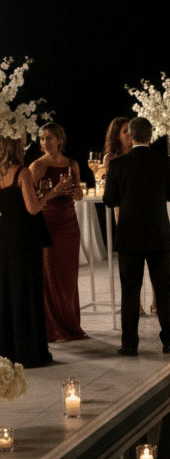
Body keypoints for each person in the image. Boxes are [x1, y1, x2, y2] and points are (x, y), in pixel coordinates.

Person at [104, 117, 170, 355]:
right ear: (151, 134)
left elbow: (109, 200)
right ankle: (169, 342)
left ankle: (129, 345)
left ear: (130, 134)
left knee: (130, 291)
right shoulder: (165, 163)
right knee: (164, 290)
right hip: (159, 235)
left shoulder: (118, 165)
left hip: (129, 236)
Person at [0, 133, 65, 367]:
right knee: (27, 289)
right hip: (23, 238)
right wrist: (52, 192)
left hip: (4, 234)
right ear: (15, 146)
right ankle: (29, 351)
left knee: (8, 290)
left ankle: (8, 349)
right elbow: (33, 208)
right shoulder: (22, 172)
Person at [29, 122, 88, 343]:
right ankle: (53, 329)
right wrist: (53, 193)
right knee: (50, 276)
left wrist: (74, 190)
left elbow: (80, 196)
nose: (44, 143)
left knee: (68, 277)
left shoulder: (72, 164)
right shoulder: (36, 167)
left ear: (59, 140)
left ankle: (71, 324)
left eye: (48, 138)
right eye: (42, 139)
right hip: (48, 224)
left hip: (70, 225)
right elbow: (31, 201)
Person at [103, 116, 155, 315]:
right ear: (117, 135)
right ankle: (137, 304)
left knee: (153, 255)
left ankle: (155, 300)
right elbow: (109, 190)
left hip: (147, 208)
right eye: (124, 131)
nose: (129, 135)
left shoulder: (145, 154)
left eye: (130, 131)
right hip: (124, 209)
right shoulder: (112, 159)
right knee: (133, 259)